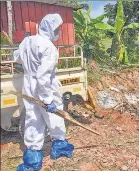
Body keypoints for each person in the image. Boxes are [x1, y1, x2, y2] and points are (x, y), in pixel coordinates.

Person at [13, 14, 74, 171]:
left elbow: (17, 58)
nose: (59, 31)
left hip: (29, 87)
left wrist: (28, 59)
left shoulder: (28, 41)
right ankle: (59, 148)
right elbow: (43, 76)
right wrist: (48, 100)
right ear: (51, 28)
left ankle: (32, 159)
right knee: (55, 117)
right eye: (58, 28)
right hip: (46, 88)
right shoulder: (49, 48)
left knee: (33, 119)